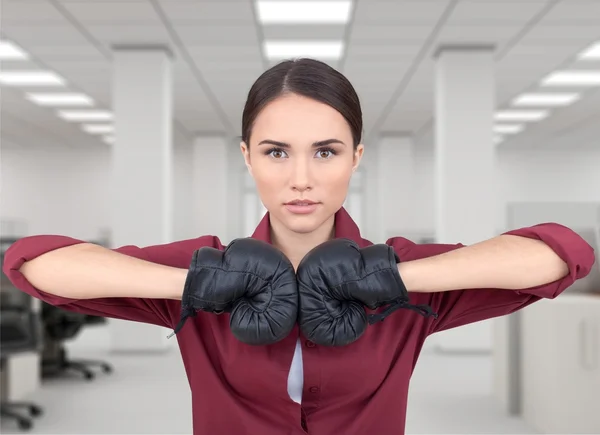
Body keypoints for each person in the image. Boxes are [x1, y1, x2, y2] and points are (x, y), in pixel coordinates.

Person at [2, 58, 595, 435]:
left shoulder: (404, 273)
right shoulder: (203, 267)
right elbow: (32, 263)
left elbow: (563, 252)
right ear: (248, 156)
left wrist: (392, 279)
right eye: (277, 151)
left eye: (327, 151)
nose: (301, 179)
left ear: (356, 159)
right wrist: (194, 285)